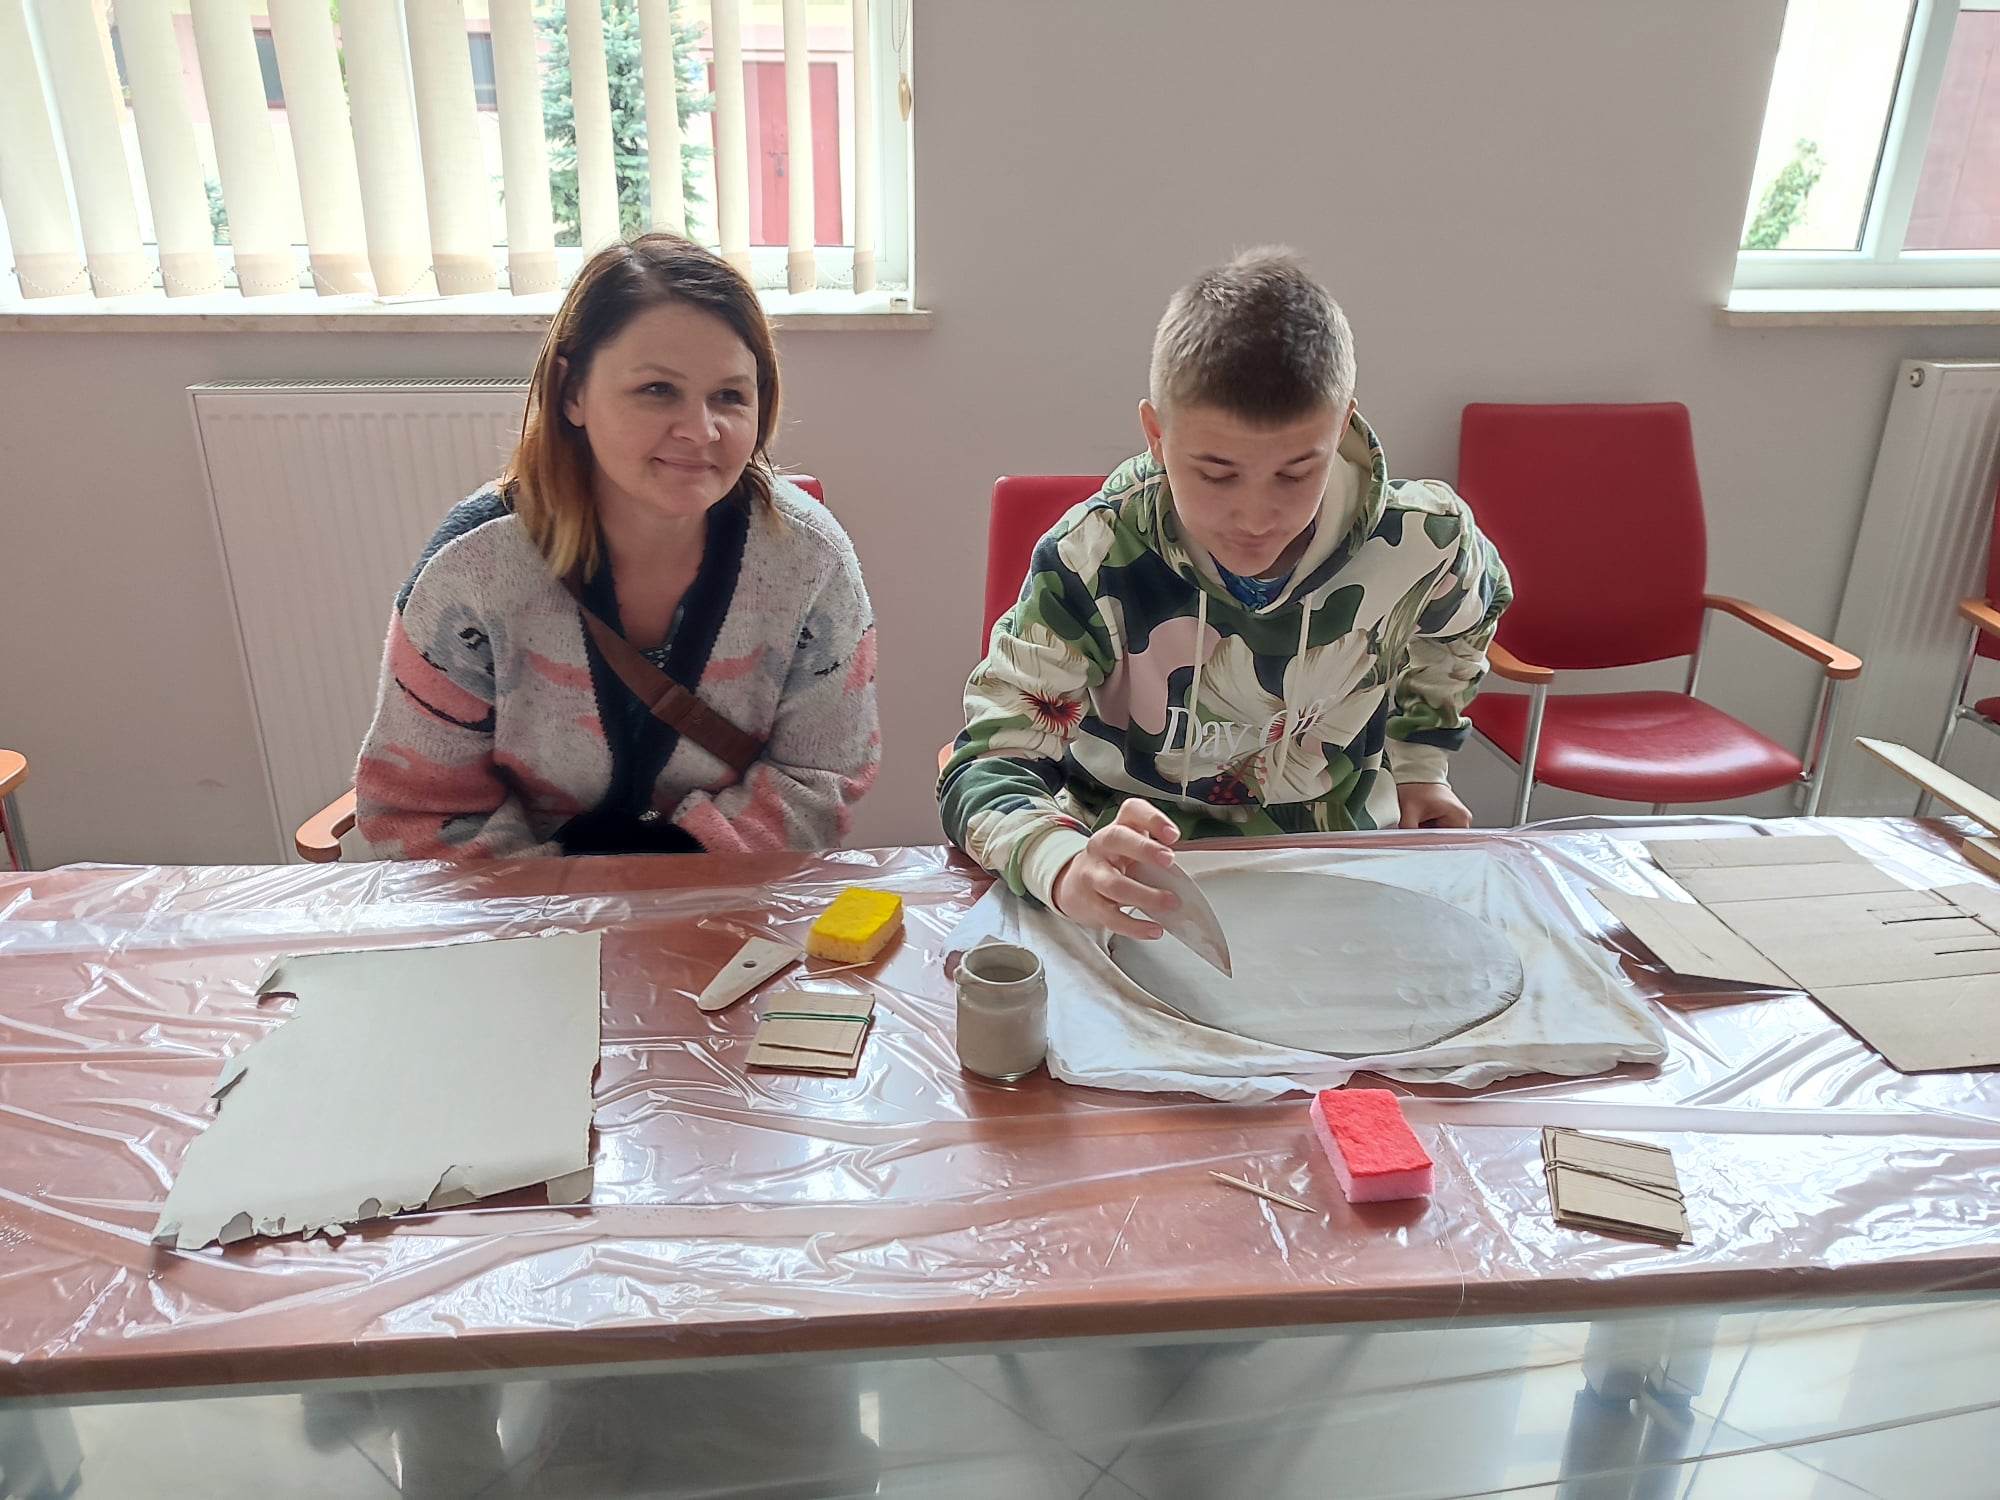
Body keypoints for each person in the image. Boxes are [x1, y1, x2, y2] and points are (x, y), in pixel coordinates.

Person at [939, 247, 1510, 936]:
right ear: (1157, 436)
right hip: (1137, 884)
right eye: (1216, 474)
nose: (1255, 517)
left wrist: (1420, 766)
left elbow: (1462, 629)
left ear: (1341, 429)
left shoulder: (1426, 541)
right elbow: (987, 762)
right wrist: (1061, 865)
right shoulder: (1090, 560)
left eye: (1296, 473)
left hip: (1339, 867)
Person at [355, 234, 879, 858]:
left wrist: (670, 877)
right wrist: (572, 902)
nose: (701, 430)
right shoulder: (472, 568)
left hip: (728, 894)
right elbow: (421, 810)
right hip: (521, 906)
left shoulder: (811, 558)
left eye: (730, 396)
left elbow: (819, 777)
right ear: (571, 392)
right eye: (658, 389)